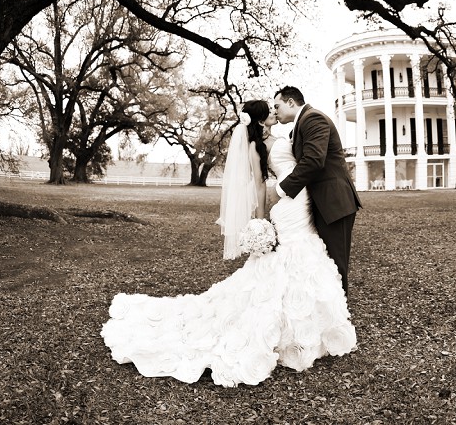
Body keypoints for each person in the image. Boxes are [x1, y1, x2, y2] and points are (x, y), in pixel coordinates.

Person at [100, 99, 356, 388]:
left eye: (276, 107)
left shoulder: (283, 135)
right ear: (260, 119)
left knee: (304, 255)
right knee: (291, 254)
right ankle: (288, 327)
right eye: (269, 110)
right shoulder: (255, 147)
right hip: (288, 199)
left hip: (301, 197)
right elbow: (259, 184)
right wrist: (261, 220)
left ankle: (313, 321)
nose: (274, 112)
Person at [271, 86, 362, 294]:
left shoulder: (313, 119)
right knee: (324, 264)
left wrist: (280, 190)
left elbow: (313, 162)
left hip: (334, 203)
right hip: (320, 203)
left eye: (278, 106)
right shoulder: (299, 125)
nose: (275, 111)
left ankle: (340, 320)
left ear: (291, 102)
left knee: (335, 265)